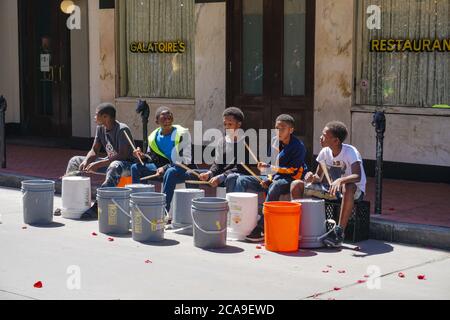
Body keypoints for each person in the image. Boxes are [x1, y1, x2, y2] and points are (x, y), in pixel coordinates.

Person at [291, 121, 367, 248]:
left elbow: (357, 176)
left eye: (324, 135)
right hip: (332, 190)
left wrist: (340, 180)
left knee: (348, 186)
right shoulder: (324, 152)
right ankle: (299, 228)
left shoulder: (350, 152)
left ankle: (338, 233)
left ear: (336, 141)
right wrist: (311, 177)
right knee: (296, 184)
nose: (321, 137)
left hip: (353, 192)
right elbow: (318, 178)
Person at [235, 114, 307, 242]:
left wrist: (271, 170)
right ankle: (239, 220)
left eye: (282, 128)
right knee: (242, 180)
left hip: (289, 179)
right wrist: (268, 177)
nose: (278, 131)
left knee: (276, 185)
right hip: (275, 176)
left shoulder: (298, 146)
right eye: (276, 128)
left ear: (291, 130)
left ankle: (262, 227)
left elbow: (293, 170)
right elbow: (270, 164)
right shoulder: (274, 141)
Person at [65, 103, 135, 219]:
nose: (94, 117)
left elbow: (123, 155)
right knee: (75, 161)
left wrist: (99, 164)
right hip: (110, 163)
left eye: (96, 114)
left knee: (114, 165)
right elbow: (94, 149)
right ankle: (68, 202)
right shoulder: (100, 128)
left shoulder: (122, 129)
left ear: (105, 117)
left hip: (127, 166)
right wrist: (87, 160)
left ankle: (98, 206)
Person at [131, 106, 195, 213]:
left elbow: (184, 160)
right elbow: (151, 157)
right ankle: (139, 205)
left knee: (170, 171)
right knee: (136, 168)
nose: (167, 121)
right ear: (157, 121)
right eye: (164, 119)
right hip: (162, 169)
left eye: (169, 118)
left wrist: (164, 168)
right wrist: (142, 156)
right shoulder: (153, 137)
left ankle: (163, 211)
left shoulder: (182, 134)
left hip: (181, 169)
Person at [198, 107, 252, 193]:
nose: (227, 127)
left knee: (231, 178)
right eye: (225, 124)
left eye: (230, 124)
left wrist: (221, 177)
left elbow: (240, 167)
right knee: (192, 174)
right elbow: (217, 163)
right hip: (222, 174)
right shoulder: (222, 141)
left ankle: (230, 204)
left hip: (238, 175)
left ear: (239, 124)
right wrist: (209, 173)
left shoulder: (246, 141)